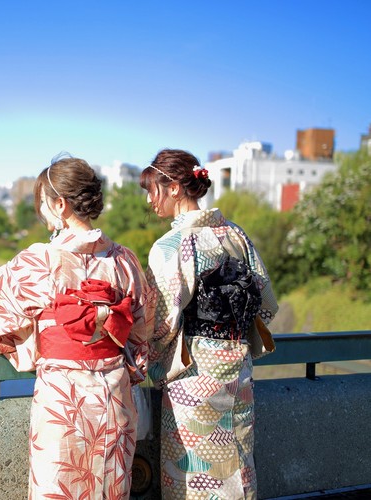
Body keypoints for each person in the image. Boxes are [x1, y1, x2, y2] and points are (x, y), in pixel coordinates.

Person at [0, 155, 152, 499]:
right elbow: (142, 330)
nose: (42, 212)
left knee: (59, 485)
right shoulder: (124, 259)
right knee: (109, 487)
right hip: (114, 394)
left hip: (63, 397)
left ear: (60, 204)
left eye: (43, 204)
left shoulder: (41, 260)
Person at [140, 149, 279, 499]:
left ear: (174, 188)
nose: (149, 199)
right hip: (239, 366)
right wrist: (235, 338)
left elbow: (161, 322)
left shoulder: (172, 245)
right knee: (239, 458)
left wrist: (150, 360)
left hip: (195, 375)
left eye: (152, 188)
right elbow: (267, 303)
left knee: (196, 472)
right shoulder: (236, 234)